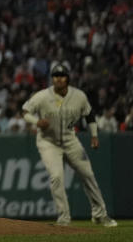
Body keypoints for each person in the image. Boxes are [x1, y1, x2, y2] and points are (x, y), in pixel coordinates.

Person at [21, 63, 117, 227]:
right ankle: (64, 218)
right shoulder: (43, 96)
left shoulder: (79, 96)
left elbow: (89, 115)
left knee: (88, 175)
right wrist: (36, 121)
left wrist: (94, 135)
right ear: (52, 79)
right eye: (55, 76)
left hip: (70, 140)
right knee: (57, 177)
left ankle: (100, 215)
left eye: (62, 75)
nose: (58, 79)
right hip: (48, 142)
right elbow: (25, 111)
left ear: (68, 78)